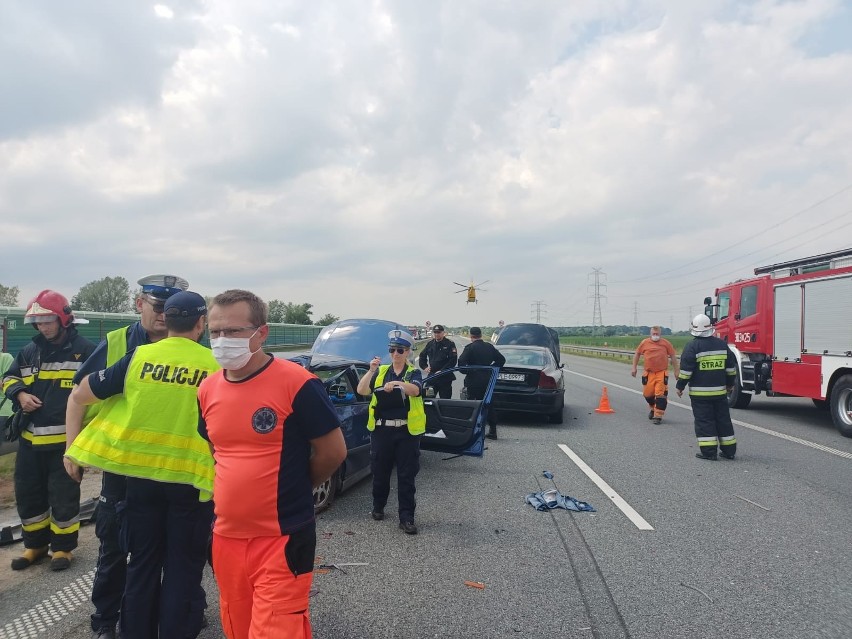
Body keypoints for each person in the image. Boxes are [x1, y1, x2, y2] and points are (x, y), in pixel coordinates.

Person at [65, 291, 219, 639]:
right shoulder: (213, 366)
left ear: (170, 321)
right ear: (200, 324)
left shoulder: (139, 357)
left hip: (139, 481)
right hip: (190, 485)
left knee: (142, 564)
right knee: (183, 567)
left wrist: (72, 449)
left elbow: (80, 394)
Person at [197, 289, 346, 639]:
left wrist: (294, 487)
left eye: (232, 331)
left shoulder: (297, 384)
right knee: (237, 627)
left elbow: (333, 452)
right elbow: (217, 452)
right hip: (226, 539)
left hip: (281, 538)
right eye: (215, 332)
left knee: (277, 631)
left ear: (260, 333)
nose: (221, 340)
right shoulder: (207, 390)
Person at [2, 290, 95, 572]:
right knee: (29, 495)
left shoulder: (86, 352)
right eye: (39, 322)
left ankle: (63, 549)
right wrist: (19, 395)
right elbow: (9, 378)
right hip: (30, 442)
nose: (43, 327)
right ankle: (35, 546)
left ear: (63, 319)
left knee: (63, 497)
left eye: (48, 321)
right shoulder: (30, 350)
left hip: (66, 444)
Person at [356, 329, 425, 535]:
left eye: (400, 350)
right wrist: (370, 370)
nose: (396, 354)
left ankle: (407, 517)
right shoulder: (381, 370)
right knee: (380, 472)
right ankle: (378, 507)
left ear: (408, 352)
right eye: (393, 350)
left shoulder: (413, 372)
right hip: (382, 430)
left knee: (406, 476)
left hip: (406, 431)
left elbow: (416, 390)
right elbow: (362, 391)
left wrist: (396, 384)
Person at [675, 314, 738, 461]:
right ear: (711, 327)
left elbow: (686, 371)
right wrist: (730, 384)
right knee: (723, 420)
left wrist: (680, 387)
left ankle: (709, 452)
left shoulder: (692, 346)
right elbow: (731, 369)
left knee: (705, 422)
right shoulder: (722, 345)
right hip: (720, 393)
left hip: (700, 395)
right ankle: (729, 451)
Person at [458, 327, 505, 440]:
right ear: (481, 335)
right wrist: (491, 368)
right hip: (488, 380)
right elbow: (501, 360)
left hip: (473, 381)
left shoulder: (470, 348)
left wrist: (469, 370)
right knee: (489, 404)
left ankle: (472, 431)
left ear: (471, 336)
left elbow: (461, 365)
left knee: (473, 405)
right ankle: (493, 431)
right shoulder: (489, 347)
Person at [631, 326, 679, 424]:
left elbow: (673, 356)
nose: (655, 336)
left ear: (660, 334)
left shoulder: (666, 343)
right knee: (648, 395)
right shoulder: (644, 343)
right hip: (649, 373)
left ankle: (658, 416)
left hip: (661, 373)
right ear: (650, 334)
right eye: (654, 334)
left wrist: (676, 370)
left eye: (657, 334)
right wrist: (634, 367)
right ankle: (653, 408)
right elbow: (637, 354)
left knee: (660, 395)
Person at [417, 324, 458, 398]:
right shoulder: (430, 344)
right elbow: (422, 356)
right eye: (435, 332)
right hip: (432, 377)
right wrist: (425, 367)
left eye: (438, 332)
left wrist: (442, 370)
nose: (436, 334)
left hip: (445, 377)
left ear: (443, 333)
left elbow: (453, 360)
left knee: (445, 401)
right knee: (428, 399)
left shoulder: (449, 344)